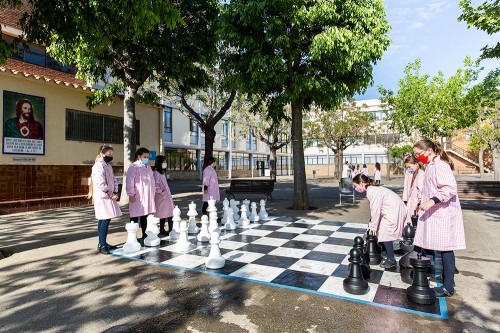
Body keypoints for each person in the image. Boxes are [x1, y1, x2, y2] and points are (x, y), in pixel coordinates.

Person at [413, 139, 465, 297]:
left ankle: (448, 286)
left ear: (428, 150)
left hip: (444, 213)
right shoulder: (431, 165)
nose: (417, 157)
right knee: (442, 248)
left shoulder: (440, 165)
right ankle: (447, 279)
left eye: (418, 154)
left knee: (446, 249)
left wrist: (432, 200)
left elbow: (450, 188)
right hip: (437, 213)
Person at [352, 174, 407, 269]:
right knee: (383, 231)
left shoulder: (371, 191)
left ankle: (391, 259)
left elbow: (375, 210)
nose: (356, 188)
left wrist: (373, 225)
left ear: (361, 183)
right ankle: (386, 251)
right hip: (394, 208)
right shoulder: (373, 189)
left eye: (356, 185)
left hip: (393, 210)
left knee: (385, 233)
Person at [90, 144, 122, 254]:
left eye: (112, 154)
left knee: (104, 219)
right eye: (109, 154)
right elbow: (100, 182)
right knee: (105, 219)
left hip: (109, 196)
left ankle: (102, 243)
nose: (111, 156)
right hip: (103, 196)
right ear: (102, 154)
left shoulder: (108, 165)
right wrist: (109, 192)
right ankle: (102, 245)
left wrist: (115, 191)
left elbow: (113, 179)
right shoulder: (98, 166)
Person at [126, 147, 157, 240]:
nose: (146, 158)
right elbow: (130, 181)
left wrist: (153, 192)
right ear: (139, 156)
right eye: (144, 156)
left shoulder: (148, 167)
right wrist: (131, 194)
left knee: (144, 214)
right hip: (137, 195)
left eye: (147, 157)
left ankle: (145, 233)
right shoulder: (134, 167)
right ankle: (133, 236)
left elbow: (152, 180)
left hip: (147, 195)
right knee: (135, 215)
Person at [153, 155, 175, 236]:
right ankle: (162, 229)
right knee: (163, 213)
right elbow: (156, 185)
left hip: (166, 196)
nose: (165, 163)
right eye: (163, 162)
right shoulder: (156, 173)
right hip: (161, 196)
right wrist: (162, 193)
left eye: (165, 162)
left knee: (169, 212)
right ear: (159, 163)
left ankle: (170, 229)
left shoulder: (162, 172)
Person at [402, 156, 425, 223]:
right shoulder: (412, 173)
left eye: (409, 167)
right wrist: (405, 200)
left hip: (417, 204)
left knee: (415, 224)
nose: (409, 169)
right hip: (411, 203)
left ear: (416, 164)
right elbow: (407, 186)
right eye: (407, 168)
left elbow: (421, 192)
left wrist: (419, 204)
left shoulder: (421, 175)